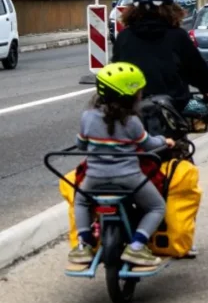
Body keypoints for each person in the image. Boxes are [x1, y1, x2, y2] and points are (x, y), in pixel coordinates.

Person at [69, 62, 173, 268]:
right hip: (130, 179)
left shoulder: (88, 117)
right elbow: (148, 144)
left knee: (80, 202)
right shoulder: (132, 121)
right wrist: (164, 140)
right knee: (156, 206)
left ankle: (84, 245)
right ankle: (137, 246)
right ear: (133, 96)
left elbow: (81, 144)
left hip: (95, 178)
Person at [113, 0, 208, 112]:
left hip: (132, 109)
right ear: (171, 8)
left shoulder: (125, 36)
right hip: (172, 109)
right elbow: (197, 70)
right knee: (199, 114)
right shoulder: (177, 36)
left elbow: (115, 71)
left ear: (133, 9)